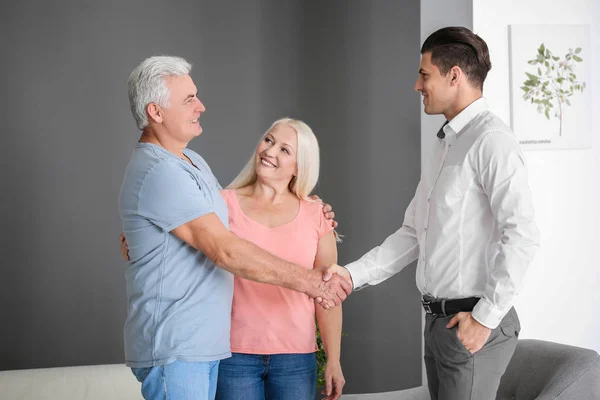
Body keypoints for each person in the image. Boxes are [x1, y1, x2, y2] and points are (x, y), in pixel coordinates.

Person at [119, 55, 350, 400]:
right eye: (189, 99)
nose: (201, 106)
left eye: (286, 149)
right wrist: (310, 282)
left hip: (205, 348)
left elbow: (180, 228)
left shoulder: (191, 162)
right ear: (156, 112)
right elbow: (223, 248)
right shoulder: (161, 172)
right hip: (178, 348)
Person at [328, 26, 540, 400]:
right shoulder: (446, 144)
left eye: (424, 74)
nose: (416, 85)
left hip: (473, 324)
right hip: (439, 325)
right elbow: (414, 233)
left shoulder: (492, 141)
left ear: (454, 75)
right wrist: (350, 275)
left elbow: (521, 233)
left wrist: (484, 318)